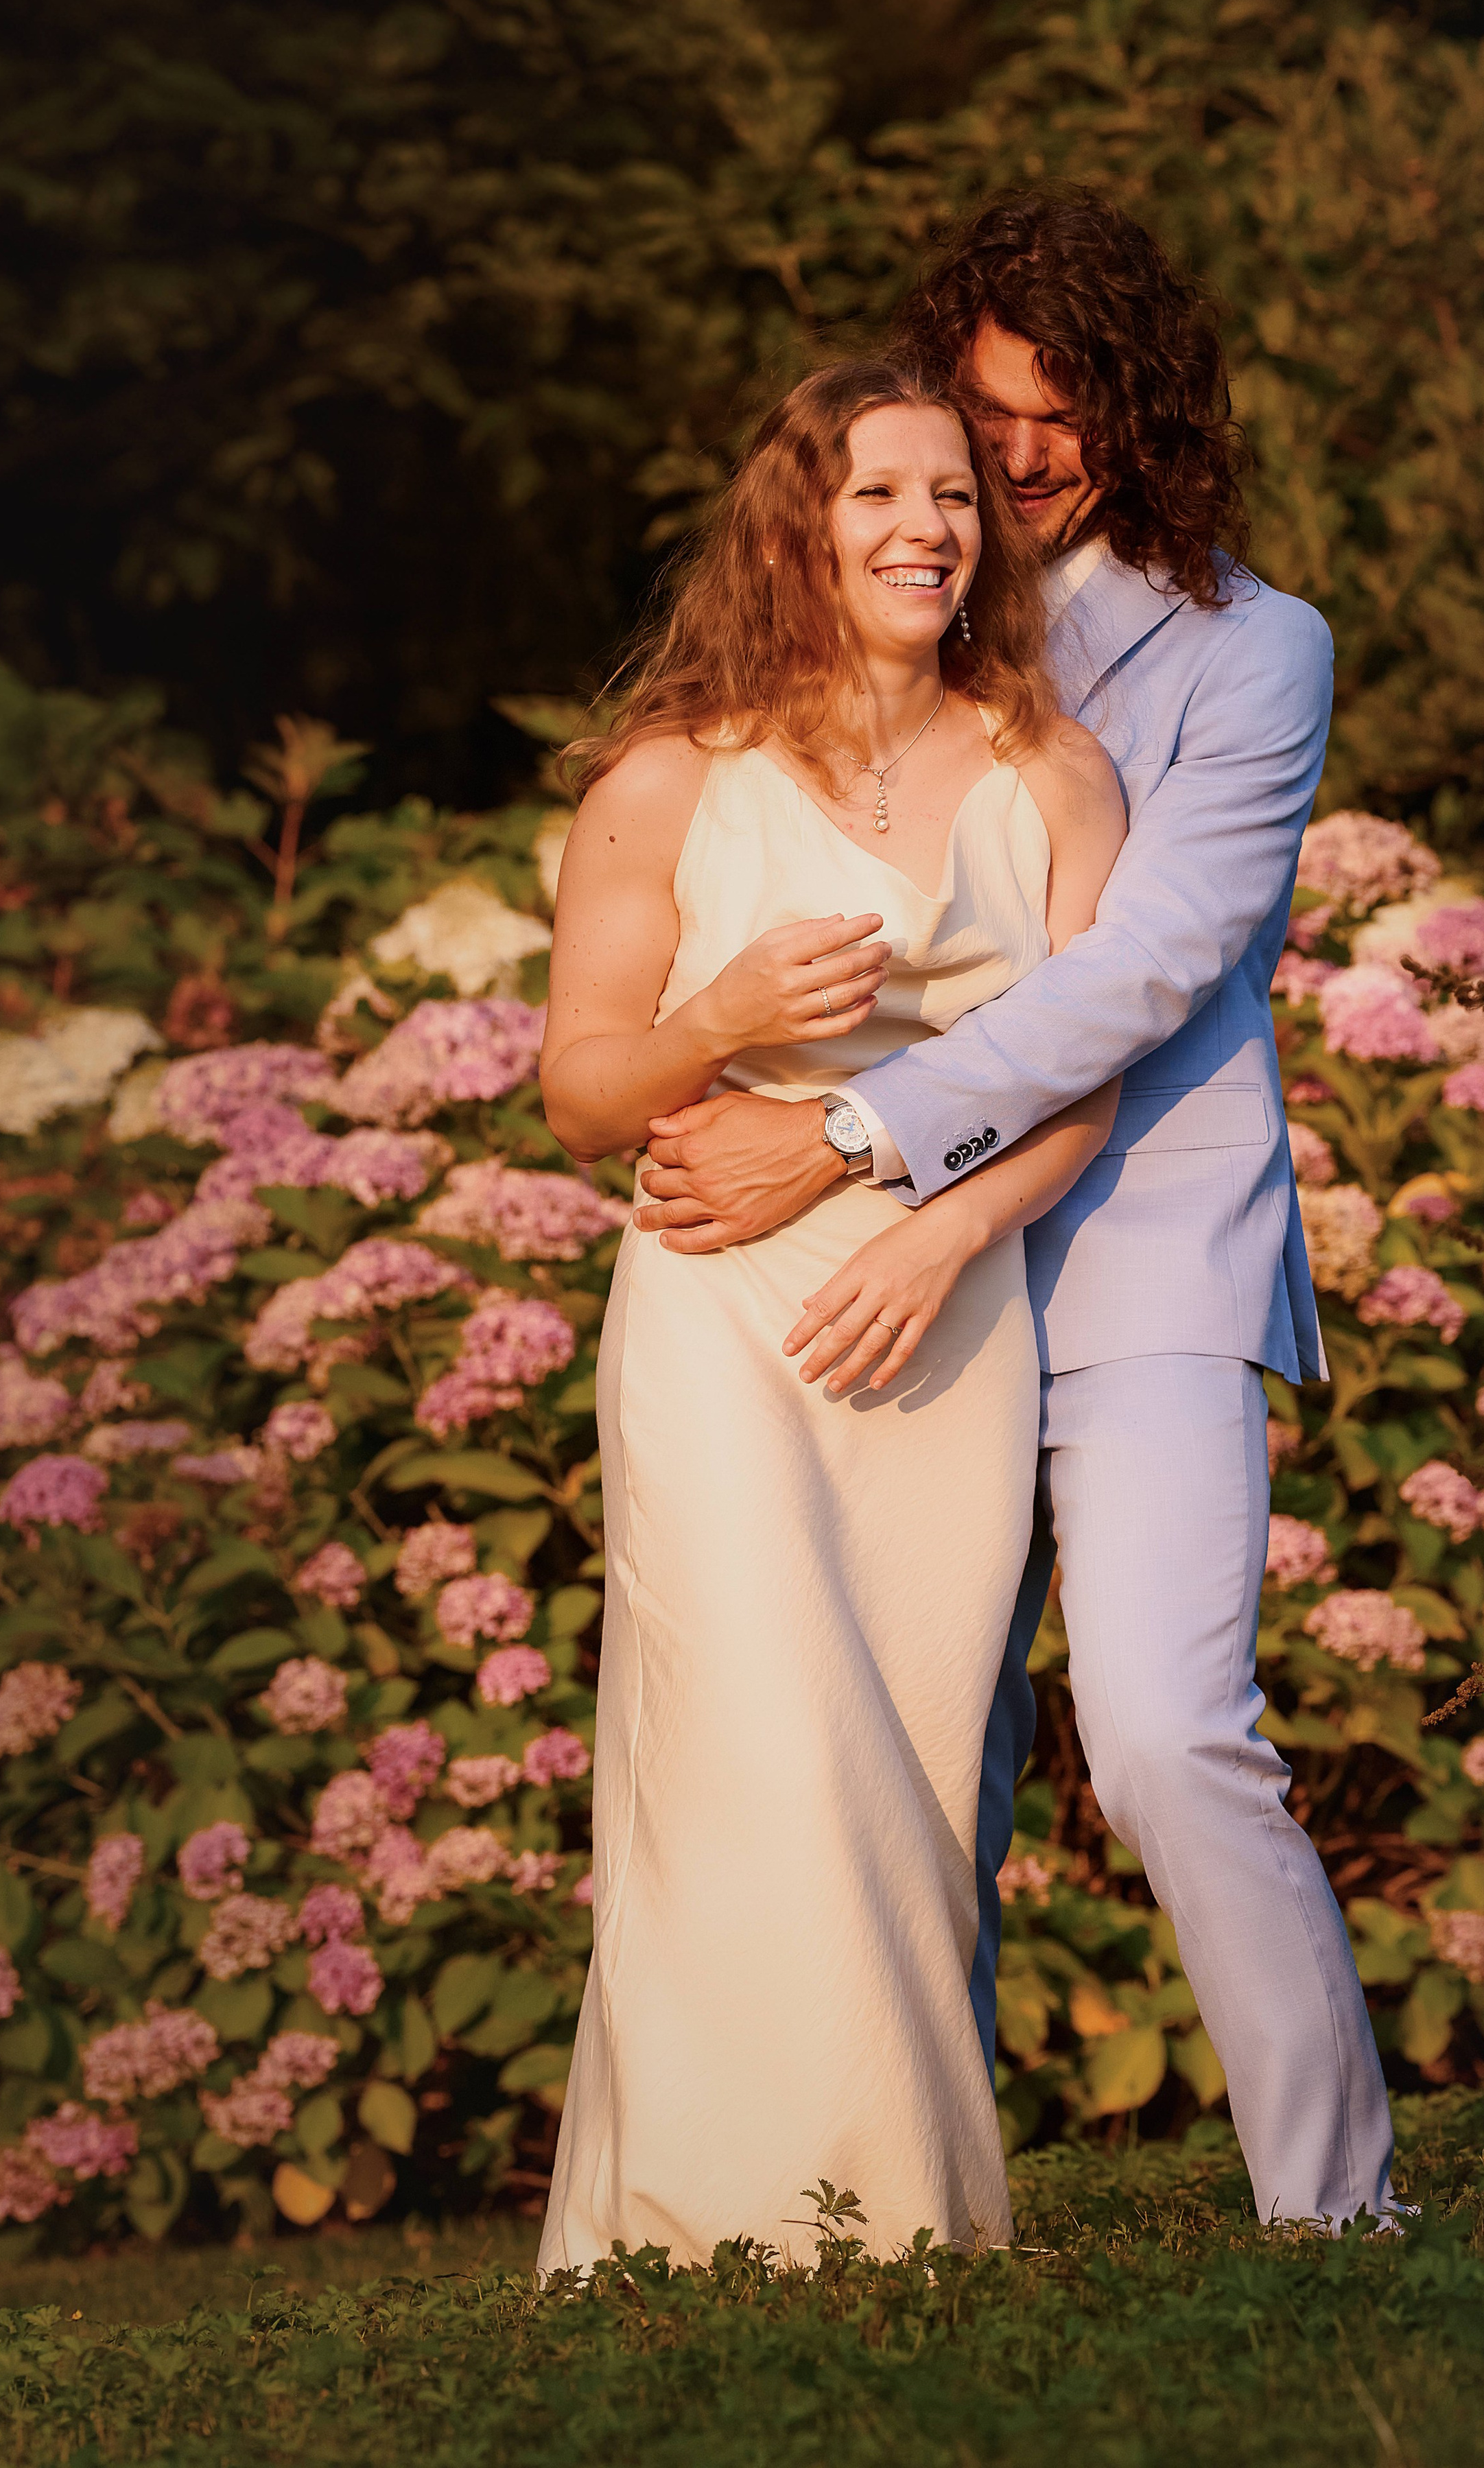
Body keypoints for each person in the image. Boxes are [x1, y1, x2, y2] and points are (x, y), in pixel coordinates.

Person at [630, 189, 1409, 2232]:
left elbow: (1147, 973)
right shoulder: (889, 614)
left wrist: (861, 1142)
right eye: (989, 412)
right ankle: (908, 2213)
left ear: (1146, 412)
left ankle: (1340, 2212)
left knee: (1163, 1732)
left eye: (1070, 411)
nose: (1026, 453)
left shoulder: (1255, 649)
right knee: (907, 1758)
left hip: (1140, 1243)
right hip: (869, 1287)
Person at [534, 357, 1127, 2274]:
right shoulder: (669, 782)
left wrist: (945, 1236)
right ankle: (717, 2223)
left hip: (944, 1311)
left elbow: (1086, 1085)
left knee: (912, 1757)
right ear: (797, 526)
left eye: (954, 494)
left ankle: (897, 2215)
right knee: (756, 1735)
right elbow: (583, 1092)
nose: (927, 528)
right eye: (879, 492)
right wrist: (720, 1021)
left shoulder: (1053, 775)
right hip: (723, 1309)